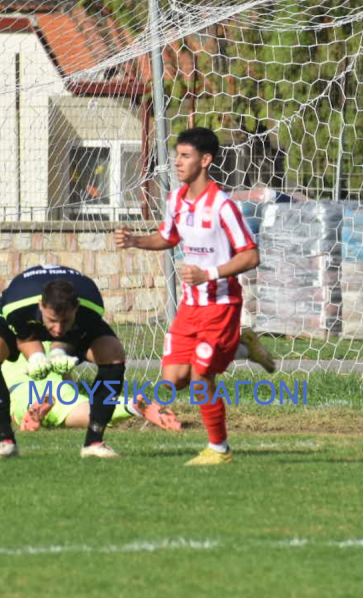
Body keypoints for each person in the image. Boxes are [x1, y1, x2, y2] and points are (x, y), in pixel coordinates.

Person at [114, 126, 274, 466]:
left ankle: (219, 449)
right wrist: (135, 241)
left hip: (220, 303)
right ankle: (242, 347)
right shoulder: (176, 200)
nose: (178, 162)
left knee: (202, 376)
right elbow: (168, 237)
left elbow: (251, 255)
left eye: (185, 156)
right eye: (176, 156)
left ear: (205, 160)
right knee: (173, 381)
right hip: (190, 307)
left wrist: (208, 274)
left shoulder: (223, 206)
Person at [0, 298, 181, 433]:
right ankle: (132, 405)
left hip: (21, 392)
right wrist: (70, 390)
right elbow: (63, 368)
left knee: (47, 416)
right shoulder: (39, 329)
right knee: (85, 409)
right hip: (60, 388)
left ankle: (34, 413)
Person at [0, 264, 137, 461]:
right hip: (17, 316)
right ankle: (6, 441)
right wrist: (36, 357)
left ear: (75, 308)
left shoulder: (91, 307)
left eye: (65, 321)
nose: (58, 328)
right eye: (52, 320)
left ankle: (94, 442)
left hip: (75, 316)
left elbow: (72, 335)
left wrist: (59, 352)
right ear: (41, 306)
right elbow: (25, 337)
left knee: (113, 354)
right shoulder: (17, 307)